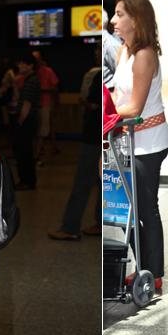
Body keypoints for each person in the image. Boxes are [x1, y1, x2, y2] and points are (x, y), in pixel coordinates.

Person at [110, 0, 168, 290]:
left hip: (148, 143)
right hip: (128, 139)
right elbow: (118, 96)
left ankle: (153, 272)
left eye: (119, 14)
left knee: (146, 208)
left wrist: (107, 115)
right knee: (128, 208)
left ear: (136, 20)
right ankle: (143, 267)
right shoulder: (125, 50)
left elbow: (133, 107)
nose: (113, 20)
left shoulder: (145, 54)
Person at [47, 61, 102, 240]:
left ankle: (70, 227)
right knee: (103, 182)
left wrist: (85, 103)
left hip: (93, 135)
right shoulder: (115, 71)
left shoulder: (99, 76)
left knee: (82, 182)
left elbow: (92, 103)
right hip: (107, 134)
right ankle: (100, 223)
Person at [13, 52, 41, 190]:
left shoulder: (31, 80)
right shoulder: (30, 79)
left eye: (23, 63)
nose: (19, 66)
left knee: (24, 152)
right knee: (26, 151)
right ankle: (27, 180)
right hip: (29, 120)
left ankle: (27, 181)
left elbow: (27, 104)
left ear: (30, 66)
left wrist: (20, 121)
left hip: (27, 121)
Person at [32, 50, 60, 162]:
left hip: (45, 105)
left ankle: (37, 155)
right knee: (39, 130)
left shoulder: (48, 71)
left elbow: (55, 88)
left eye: (37, 59)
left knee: (44, 129)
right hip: (33, 106)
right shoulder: (30, 73)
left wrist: (56, 103)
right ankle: (42, 150)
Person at [102, 8, 122, 90]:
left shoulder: (111, 45)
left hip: (111, 95)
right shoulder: (105, 42)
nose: (113, 20)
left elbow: (122, 74)